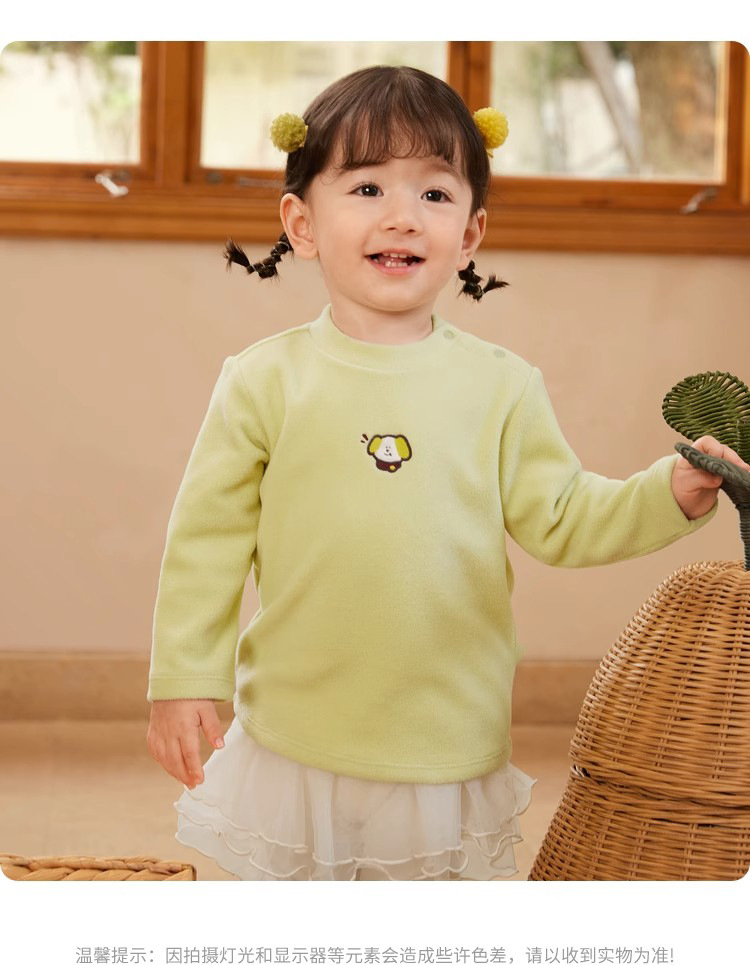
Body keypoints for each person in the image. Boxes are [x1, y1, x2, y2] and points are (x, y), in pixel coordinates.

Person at [146, 65, 749, 881]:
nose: (402, 215)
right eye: (367, 188)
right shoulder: (263, 380)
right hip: (297, 724)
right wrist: (184, 678)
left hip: (444, 732)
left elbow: (563, 516)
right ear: (302, 223)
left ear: (469, 235)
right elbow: (205, 544)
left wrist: (666, 493)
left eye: (434, 193)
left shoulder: (502, 385)